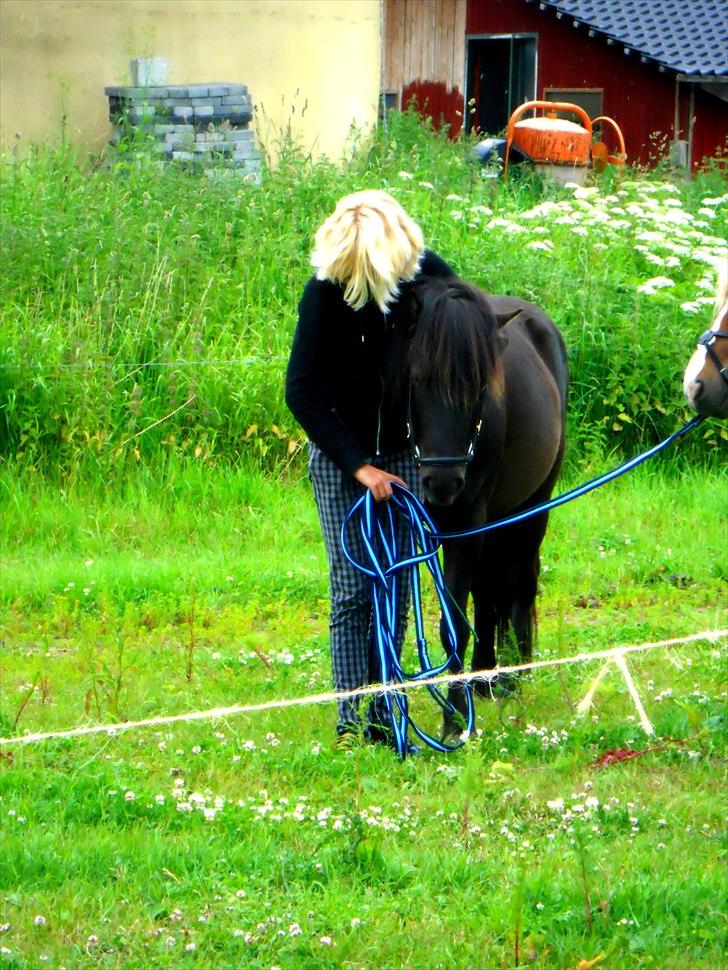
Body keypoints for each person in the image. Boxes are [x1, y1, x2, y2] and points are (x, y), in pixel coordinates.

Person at [285, 189, 456, 749]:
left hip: (405, 455)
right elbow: (301, 391)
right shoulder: (323, 292)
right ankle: (350, 720)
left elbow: (460, 333)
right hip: (343, 462)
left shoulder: (426, 275)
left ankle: (388, 711)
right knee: (354, 591)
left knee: (398, 586)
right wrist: (359, 467)